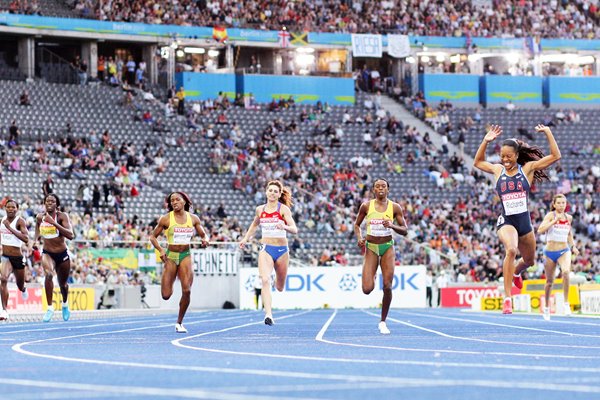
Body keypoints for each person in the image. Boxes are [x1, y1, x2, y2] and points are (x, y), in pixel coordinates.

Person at [473, 124, 561, 314]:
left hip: (524, 223)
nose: (504, 159)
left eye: (508, 156)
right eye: (502, 156)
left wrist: (548, 132)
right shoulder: (498, 170)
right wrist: (485, 141)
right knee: (511, 250)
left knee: (529, 261)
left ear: (517, 156)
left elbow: (555, 156)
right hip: (507, 221)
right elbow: (478, 162)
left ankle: (516, 272)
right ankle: (507, 299)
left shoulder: (527, 169)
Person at [239, 180, 298, 326]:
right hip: (266, 248)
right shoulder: (260, 209)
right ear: (266, 192)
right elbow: (254, 225)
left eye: (275, 191)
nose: (272, 193)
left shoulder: (283, 209)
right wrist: (245, 239)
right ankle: (269, 315)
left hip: (282, 250)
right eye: (270, 190)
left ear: (279, 195)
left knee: (279, 286)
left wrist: (284, 225)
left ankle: (275, 282)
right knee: (264, 280)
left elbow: (294, 229)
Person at [353, 178, 408, 334]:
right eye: (377, 186)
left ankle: (383, 321)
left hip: (387, 248)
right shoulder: (366, 206)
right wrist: (359, 237)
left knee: (387, 286)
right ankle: (373, 274)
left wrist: (391, 225)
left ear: (388, 189)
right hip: (371, 248)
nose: (381, 188)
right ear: (373, 190)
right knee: (367, 289)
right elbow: (357, 225)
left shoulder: (395, 207)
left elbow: (405, 230)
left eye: (383, 186)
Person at [149, 192, 209, 333]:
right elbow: (152, 237)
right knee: (166, 295)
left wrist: (205, 239)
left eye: (177, 199)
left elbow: (203, 234)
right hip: (170, 256)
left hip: (185, 255)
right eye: (172, 201)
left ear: (184, 202)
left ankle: (179, 323)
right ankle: (172, 277)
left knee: (187, 290)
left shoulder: (193, 218)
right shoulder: (166, 219)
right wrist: (161, 250)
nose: (174, 202)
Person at [537, 194, 579, 320]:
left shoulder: (569, 218)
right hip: (549, 252)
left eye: (563, 203)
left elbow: (569, 234)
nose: (561, 205)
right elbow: (540, 230)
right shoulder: (551, 215)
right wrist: (554, 221)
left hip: (564, 250)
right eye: (559, 203)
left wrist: (573, 246)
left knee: (566, 272)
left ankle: (566, 303)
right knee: (549, 282)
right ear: (554, 204)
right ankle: (546, 308)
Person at [34, 194, 75, 322]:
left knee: (63, 285)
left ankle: (65, 304)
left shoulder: (62, 216)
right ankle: (50, 308)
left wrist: (54, 223)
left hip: (62, 254)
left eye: (52, 201)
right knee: (49, 275)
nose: (49, 203)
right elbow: (37, 228)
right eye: (47, 201)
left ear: (57, 204)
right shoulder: (40, 217)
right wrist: (35, 239)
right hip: (47, 253)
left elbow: (70, 235)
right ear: (44, 203)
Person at [0, 200, 30, 321]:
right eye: (8, 207)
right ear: (5, 208)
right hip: (5, 256)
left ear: (17, 209)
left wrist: (10, 228)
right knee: (3, 279)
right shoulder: (2, 220)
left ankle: (23, 289)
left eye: (13, 207)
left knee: (19, 284)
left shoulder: (20, 221)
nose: (10, 209)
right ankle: (4, 310)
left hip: (17, 257)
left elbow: (26, 238)